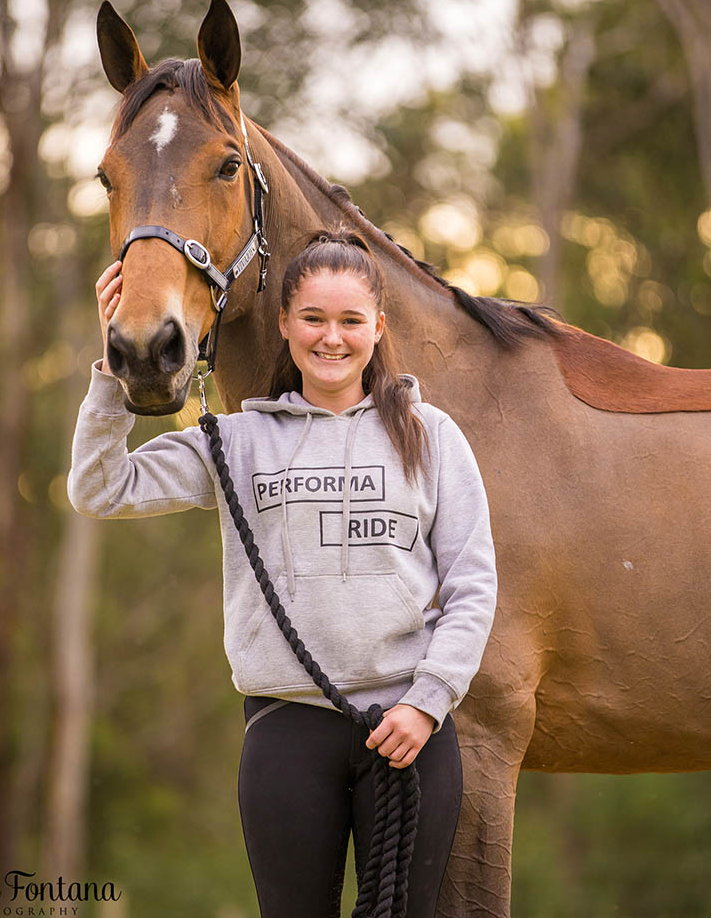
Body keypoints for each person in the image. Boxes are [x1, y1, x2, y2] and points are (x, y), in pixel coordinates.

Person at [68, 230, 498, 918]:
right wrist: (117, 358)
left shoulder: (432, 434)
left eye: (351, 320)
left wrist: (428, 700)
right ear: (284, 325)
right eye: (314, 319)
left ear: (377, 327)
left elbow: (474, 584)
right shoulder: (237, 440)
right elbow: (101, 489)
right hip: (286, 732)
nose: (333, 338)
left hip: (409, 733)